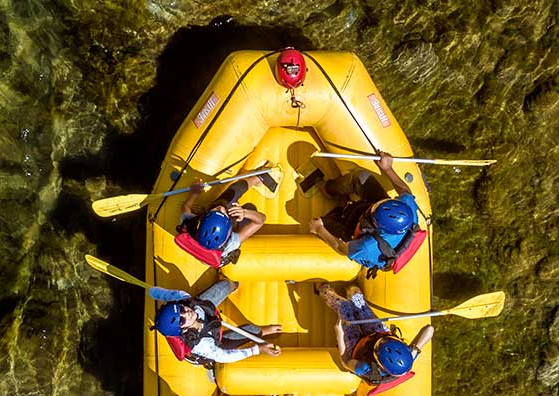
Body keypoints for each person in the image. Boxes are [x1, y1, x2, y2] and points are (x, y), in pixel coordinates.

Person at [308, 152, 424, 275]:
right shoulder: (407, 207)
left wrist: (319, 229)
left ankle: (340, 212)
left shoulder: (368, 247)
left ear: (377, 225)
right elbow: (404, 190)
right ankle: (329, 189)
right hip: (368, 220)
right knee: (361, 178)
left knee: (321, 223)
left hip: (355, 234)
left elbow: (342, 248)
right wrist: (388, 168)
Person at [317, 282, 433, 386]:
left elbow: (346, 362)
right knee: (355, 295)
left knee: (344, 307)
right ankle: (352, 295)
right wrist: (419, 343)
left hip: (359, 347)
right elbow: (429, 330)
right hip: (378, 334)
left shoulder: (365, 367)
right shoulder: (408, 356)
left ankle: (327, 294)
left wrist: (339, 333)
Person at [150, 277, 282, 366]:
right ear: (182, 330)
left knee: (223, 286)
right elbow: (225, 357)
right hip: (215, 340)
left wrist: (151, 291)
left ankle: (234, 285)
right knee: (251, 330)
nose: (187, 313)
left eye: (181, 309)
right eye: (182, 320)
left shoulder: (183, 299)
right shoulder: (202, 345)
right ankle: (265, 331)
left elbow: (165, 294)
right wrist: (257, 349)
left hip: (206, 315)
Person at [178, 174, 267, 266]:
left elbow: (186, 207)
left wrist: (194, 194)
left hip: (204, 250)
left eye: (215, 211)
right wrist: (245, 213)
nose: (220, 208)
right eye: (223, 213)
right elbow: (261, 220)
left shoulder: (188, 224)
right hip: (220, 256)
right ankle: (260, 179)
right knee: (249, 207)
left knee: (221, 203)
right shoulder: (231, 242)